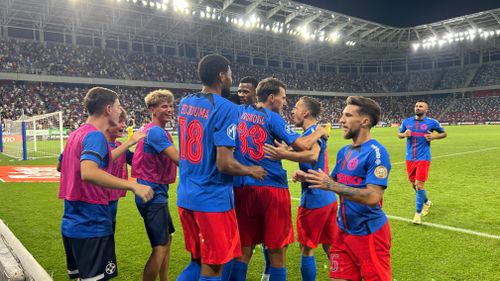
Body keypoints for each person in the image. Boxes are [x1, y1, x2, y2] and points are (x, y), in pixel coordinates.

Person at [176, 54, 266, 281]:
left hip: (185, 197)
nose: (231, 78)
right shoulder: (227, 108)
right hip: (211, 199)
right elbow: (224, 163)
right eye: (230, 74)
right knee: (215, 266)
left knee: (197, 262)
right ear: (221, 76)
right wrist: (251, 170)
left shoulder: (185, 103)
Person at [230, 78, 327, 281]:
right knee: (277, 251)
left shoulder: (238, 113)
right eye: (283, 98)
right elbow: (302, 145)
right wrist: (319, 131)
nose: (284, 103)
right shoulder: (272, 117)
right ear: (272, 98)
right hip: (271, 188)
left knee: (243, 250)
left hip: (243, 187)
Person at [59, 87, 153, 281]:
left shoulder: (76, 134)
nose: (120, 112)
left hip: (71, 222)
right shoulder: (95, 136)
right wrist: (133, 186)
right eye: (118, 107)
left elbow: (61, 166)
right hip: (91, 223)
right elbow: (89, 172)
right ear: (108, 109)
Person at [301, 96, 392, 281]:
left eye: (348, 115)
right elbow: (332, 179)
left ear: (364, 121)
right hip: (343, 232)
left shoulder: (376, 152)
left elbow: (373, 196)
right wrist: (307, 176)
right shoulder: (345, 151)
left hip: (369, 234)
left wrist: (331, 185)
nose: (341, 120)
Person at [263, 96, 337, 281]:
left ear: (306, 112)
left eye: (296, 108)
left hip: (314, 200)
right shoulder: (313, 133)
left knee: (306, 249)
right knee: (330, 245)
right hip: (328, 198)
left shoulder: (313, 133)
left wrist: (285, 154)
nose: (292, 111)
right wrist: (302, 172)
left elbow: (313, 156)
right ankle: (343, 276)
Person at [131, 89, 179, 281]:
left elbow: (139, 159)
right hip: (153, 194)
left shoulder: (148, 129)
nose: (169, 109)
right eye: (164, 106)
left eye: (170, 105)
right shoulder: (156, 132)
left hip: (155, 192)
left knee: (168, 238)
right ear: (152, 109)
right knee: (159, 248)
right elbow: (179, 160)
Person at [398, 100, 447, 224]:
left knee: (419, 185)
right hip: (410, 158)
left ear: (426, 110)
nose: (417, 108)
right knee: (414, 185)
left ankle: (417, 214)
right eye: (416, 106)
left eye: (421, 106)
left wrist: (434, 137)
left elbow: (444, 133)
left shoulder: (432, 122)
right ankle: (426, 202)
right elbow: (399, 134)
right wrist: (404, 134)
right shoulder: (407, 122)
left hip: (423, 158)